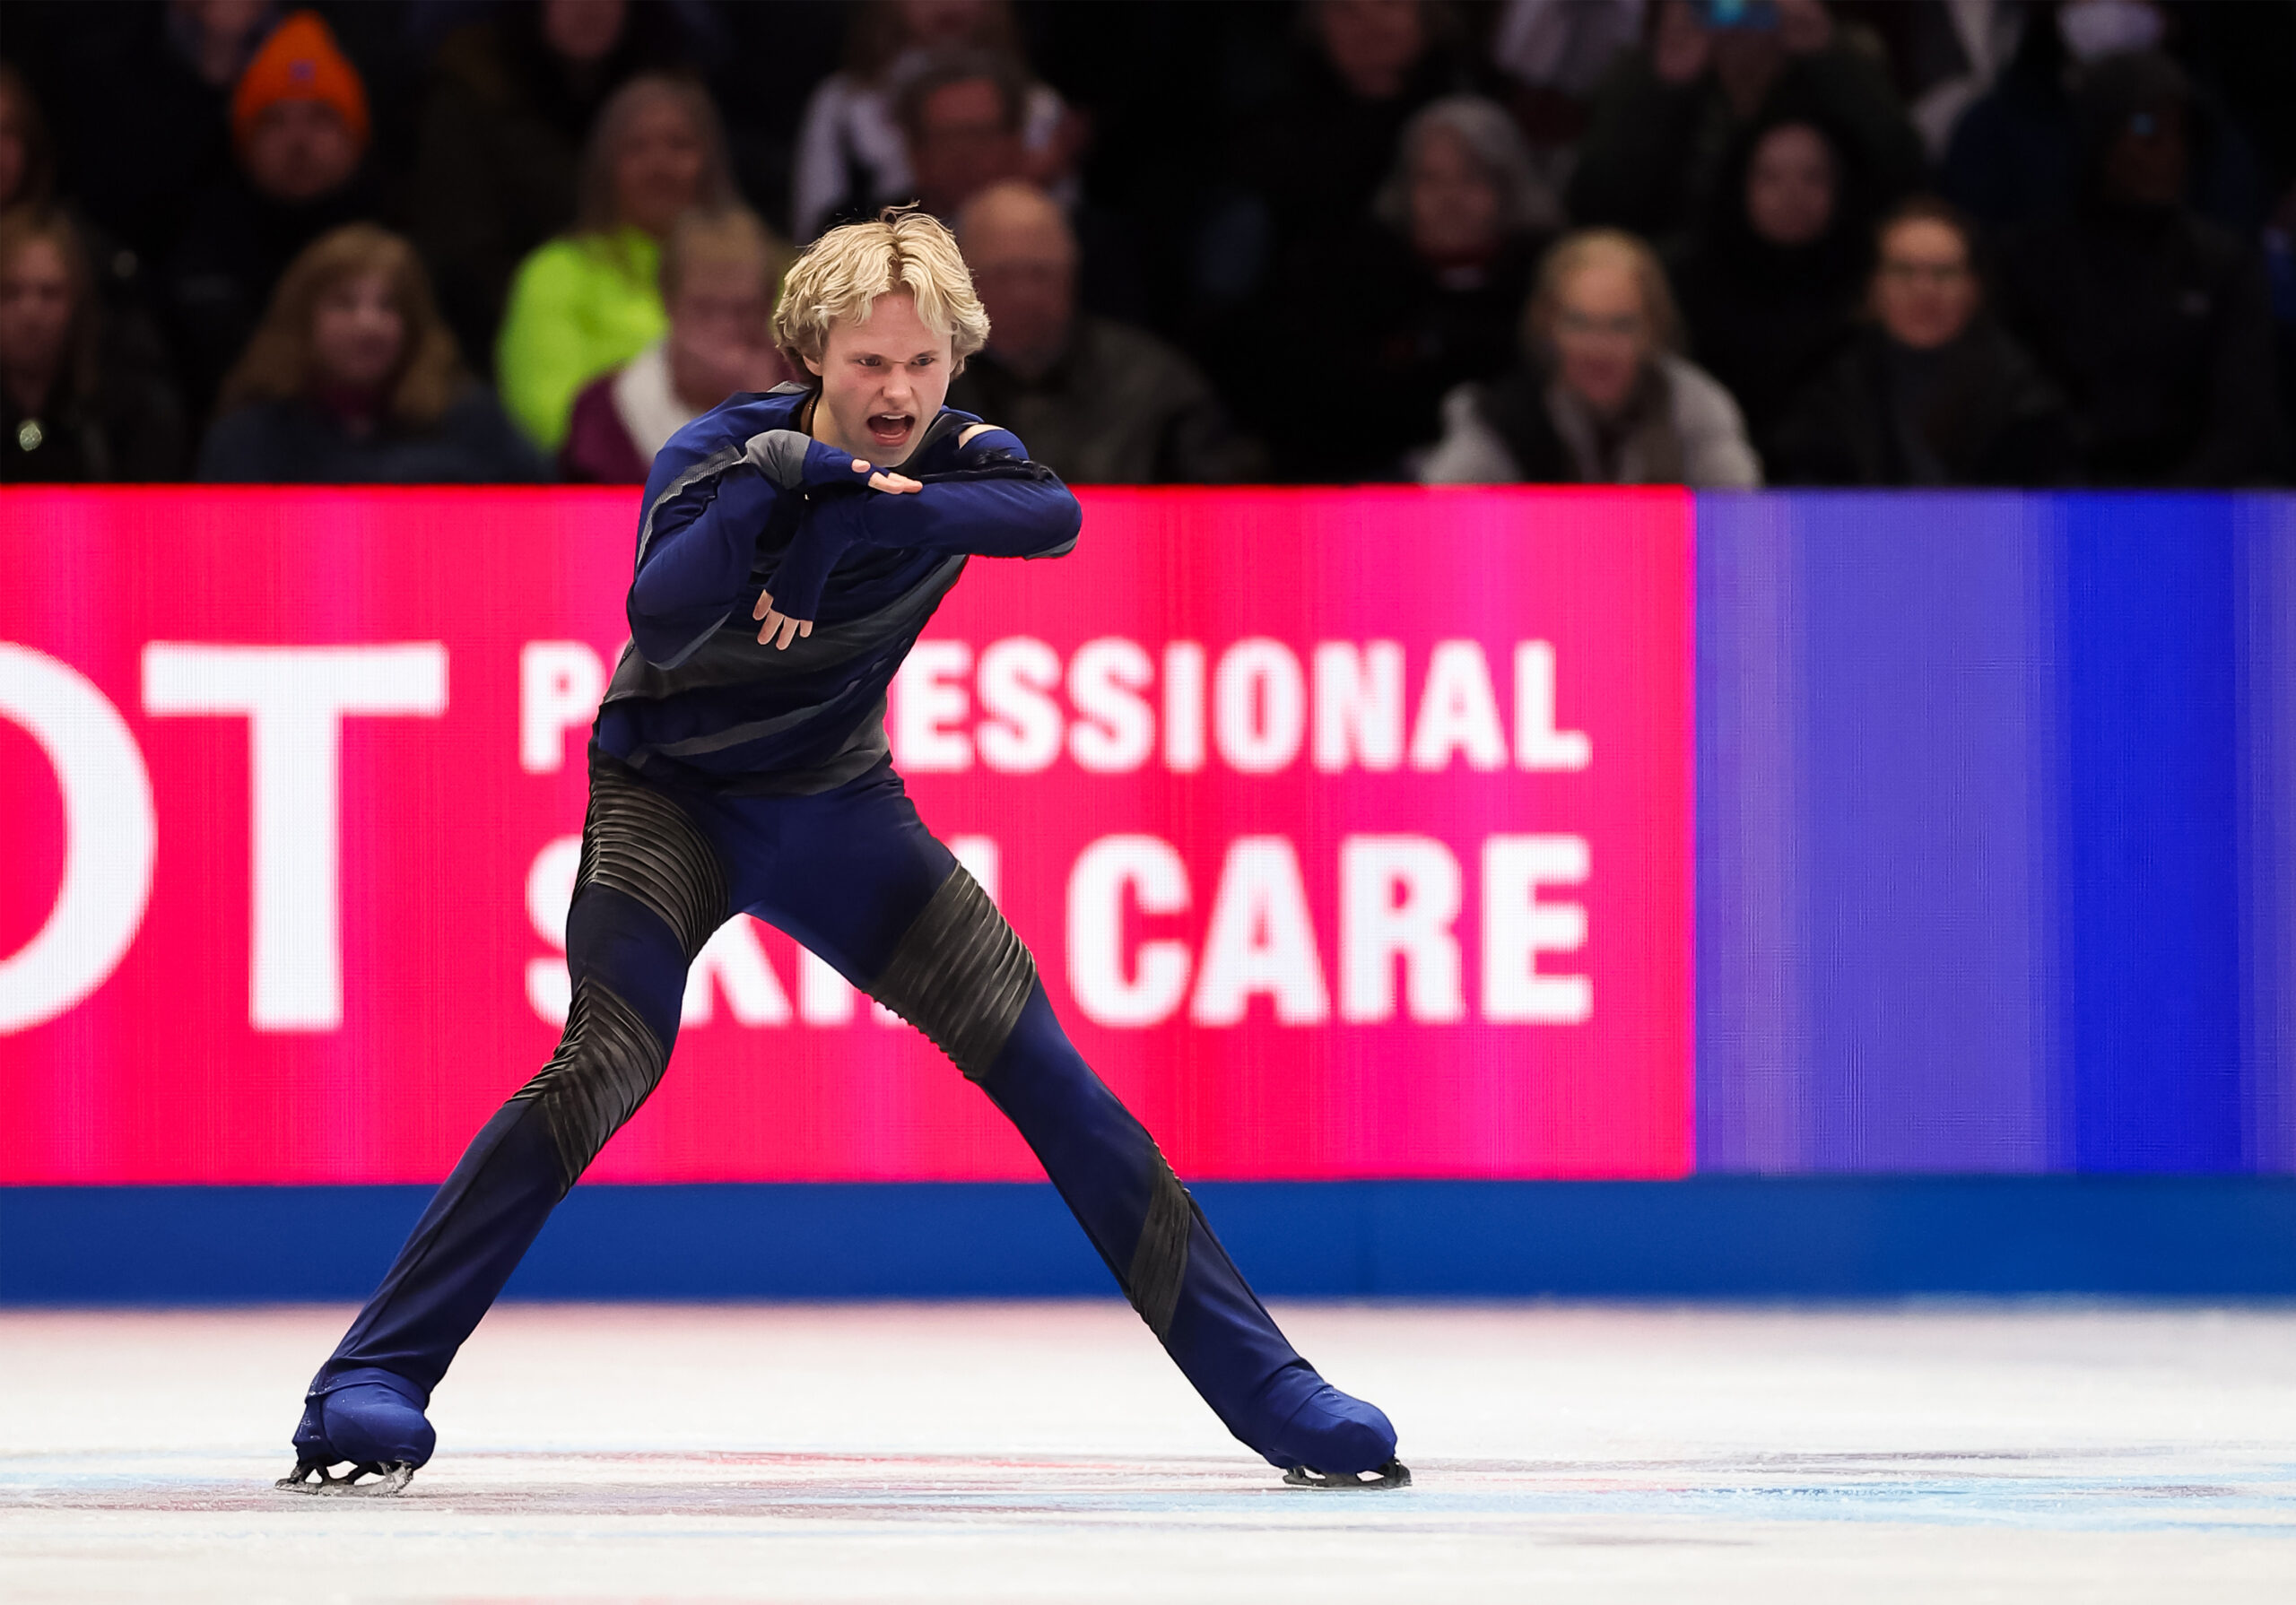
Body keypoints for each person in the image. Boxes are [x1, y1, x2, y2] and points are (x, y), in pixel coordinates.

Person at [277, 206, 1405, 1499]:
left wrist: (840, 521)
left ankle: (1272, 1388)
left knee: (1047, 1068)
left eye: (923, 364)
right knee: (609, 1058)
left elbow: (1055, 516)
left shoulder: (964, 456)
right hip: (671, 807)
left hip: (840, 813)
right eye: (870, 362)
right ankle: (369, 1378)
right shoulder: (718, 456)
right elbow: (662, 608)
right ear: (816, 350)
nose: (897, 391)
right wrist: (792, 492)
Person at [1992, 50, 2280, 485]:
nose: (2169, 151)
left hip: (2194, 509)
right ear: (2098, 137)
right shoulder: (2027, 259)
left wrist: (2163, 511)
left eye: (2182, 134)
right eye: (2147, 130)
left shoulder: (2224, 266)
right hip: (2060, 505)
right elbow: (2015, 405)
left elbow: (2242, 423)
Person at [412, 0, 707, 371]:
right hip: (498, 336)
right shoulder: (471, 85)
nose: (589, 7)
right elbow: (462, 257)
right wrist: (549, 315)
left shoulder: (672, 78)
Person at [1284, 94, 1551, 480]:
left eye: (1471, 178)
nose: (1449, 199)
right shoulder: (1351, 283)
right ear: (1406, 189)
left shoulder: (1546, 284)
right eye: (1430, 179)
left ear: (1508, 189)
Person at [946, 181, 1261, 483]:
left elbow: (1230, 496)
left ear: (1072, 275)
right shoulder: (928, 382)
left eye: (1040, 273)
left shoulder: (1154, 382)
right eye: (1003, 274)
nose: (1024, 294)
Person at [158, 9, 386, 421]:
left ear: (357, 138)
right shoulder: (200, 263)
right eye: (274, 121)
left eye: (322, 118)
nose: (298, 143)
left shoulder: (398, 255)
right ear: (244, 142)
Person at [495, 73, 735, 455]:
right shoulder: (554, 272)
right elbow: (546, 416)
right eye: (636, 148)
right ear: (606, 167)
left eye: (680, 145)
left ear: (711, 162)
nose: (660, 165)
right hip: (604, 492)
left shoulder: (768, 270)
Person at [197, 223, 544, 483]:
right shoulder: (249, 437)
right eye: (344, 304)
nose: (369, 325)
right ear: (301, 320)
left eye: (389, 307)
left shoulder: (473, 421)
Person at [1422, 227, 1760, 486]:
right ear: (1548, 326)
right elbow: (1434, 521)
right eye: (1579, 323)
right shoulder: (1504, 418)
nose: (1599, 347)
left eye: (1621, 325)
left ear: (1652, 330)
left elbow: (1742, 529)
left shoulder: (1693, 408)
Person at [1568, 0, 1923, 246]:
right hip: (1682, 280)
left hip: (1826, 279)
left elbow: (1906, 182)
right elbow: (1596, 208)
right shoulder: (1645, 76)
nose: (1740, 10)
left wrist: (1832, 62)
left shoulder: (1841, 63)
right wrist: (1664, 88)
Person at [1768, 197, 2070, 486]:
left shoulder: (2029, 403)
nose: (1924, 290)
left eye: (1944, 272)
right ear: (1873, 288)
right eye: (1903, 271)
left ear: (1975, 288)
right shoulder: (1827, 399)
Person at [1668, 113, 1880, 452]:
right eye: (1770, 178)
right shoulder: (1688, 288)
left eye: (1813, 177)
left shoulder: (1873, 289)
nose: (1792, 194)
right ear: (1740, 184)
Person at [789, 0, 1075, 241]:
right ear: (915, 149)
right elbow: (813, 232)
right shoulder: (843, 104)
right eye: (948, 136)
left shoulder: (1040, 106)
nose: (947, 4)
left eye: (980, 134)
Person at [560, 205, 796, 484]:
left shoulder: (813, 397)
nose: (725, 327)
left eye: (743, 310)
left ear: (768, 304)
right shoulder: (603, 412)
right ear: (668, 301)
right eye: (705, 308)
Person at [0, 208, 187, 482]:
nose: (31, 314)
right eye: (10, 293)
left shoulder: (132, 412)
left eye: (50, 293)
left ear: (78, 303)